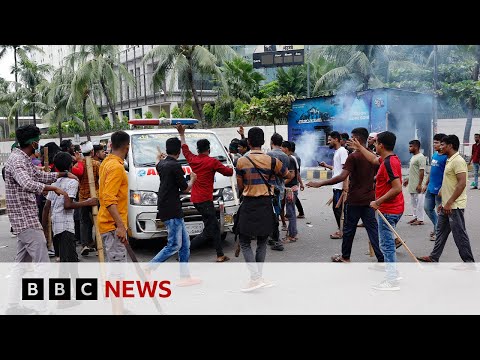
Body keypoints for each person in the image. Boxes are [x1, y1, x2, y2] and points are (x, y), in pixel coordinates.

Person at [4, 125, 76, 315]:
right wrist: (55, 189)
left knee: (21, 265)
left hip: (24, 218)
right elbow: (27, 183)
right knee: (42, 265)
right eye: (38, 140)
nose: (39, 144)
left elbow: (39, 175)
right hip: (25, 219)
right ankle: (41, 308)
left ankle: (12, 305)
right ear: (33, 142)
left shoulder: (23, 158)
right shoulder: (17, 161)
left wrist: (61, 174)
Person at [306, 127, 384, 263]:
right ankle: (381, 258)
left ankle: (345, 257)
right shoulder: (373, 157)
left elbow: (342, 176)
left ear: (357, 140)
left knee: (349, 230)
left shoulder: (353, 156)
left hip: (354, 200)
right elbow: (377, 175)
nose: (348, 140)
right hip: (369, 199)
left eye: (351, 137)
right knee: (372, 230)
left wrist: (321, 183)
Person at [236, 127, 290, 292]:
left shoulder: (241, 161)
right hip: (266, 204)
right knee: (262, 242)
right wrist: (272, 178)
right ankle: (258, 277)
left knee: (245, 242)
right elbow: (287, 175)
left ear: (249, 142)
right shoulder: (272, 161)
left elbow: (240, 185)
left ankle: (255, 278)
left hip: (249, 203)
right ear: (264, 142)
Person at [349, 131, 405, 290]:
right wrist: (360, 147)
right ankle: (393, 271)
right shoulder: (388, 159)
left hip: (388, 209)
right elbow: (373, 159)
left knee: (386, 245)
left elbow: (397, 188)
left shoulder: (389, 163)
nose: (373, 144)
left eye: (375, 142)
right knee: (387, 244)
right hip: (392, 208)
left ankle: (392, 280)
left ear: (381, 145)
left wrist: (377, 202)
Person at [176, 123, 234, 262]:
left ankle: (220, 255)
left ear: (198, 149)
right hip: (205, 200)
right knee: (210, 229)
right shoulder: (212, 162)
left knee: (213, 227)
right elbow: (229, 172)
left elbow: (184, 149)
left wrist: (182, 134)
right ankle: (184, 253)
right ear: (208, 149)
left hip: (195, 199)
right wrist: (233, 162)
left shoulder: (193, 159)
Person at [147, 137, 200, 286]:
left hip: (168, 206)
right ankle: (148, 268)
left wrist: (158, 157)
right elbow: (185, 188)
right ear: (179, 152)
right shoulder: (175, 166)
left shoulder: (162, 164)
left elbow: (157, 163)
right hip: (171, 208)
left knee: (184, 244)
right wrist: (193, 179)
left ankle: (185, 276)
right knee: (174, 245)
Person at [417, 135, 475, 265]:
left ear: (451, 145)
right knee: (440, 232)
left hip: (454, 206)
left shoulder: (458, 161)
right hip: (446, 205)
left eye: (443, 145)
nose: (440, 147)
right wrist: (443, 202)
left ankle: (469, 263)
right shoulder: (449, 160)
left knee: (459, 235)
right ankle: (434, 256)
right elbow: (448, 182)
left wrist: (449, 203)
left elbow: (462, 183)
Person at [42, 152, 98, 264]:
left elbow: (46, 207)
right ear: (71, 166)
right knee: (71, 264)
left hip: (56, 228)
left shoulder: (55, 182)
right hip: (66, 228)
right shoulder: (72, 182)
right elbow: (67, 205)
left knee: (63, 262)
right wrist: (87, 202)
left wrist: (45, 230)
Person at [98, 131, 130, 262]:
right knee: (118, 272)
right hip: (113, 226)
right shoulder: (116, 167)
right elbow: (109, 199)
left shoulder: (106, 162)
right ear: (127, 147)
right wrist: (121, 226)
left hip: (109, 224)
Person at [318, 131, 349, 239]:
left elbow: (346, 169)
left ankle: (341, 231)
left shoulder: (342, 151)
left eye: (330, 139)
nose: (328, 142)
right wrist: (326, 165)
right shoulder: (337, 152)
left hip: (340, 186)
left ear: (336, 139)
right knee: (337, 209)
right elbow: (338, 170)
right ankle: (341, 230)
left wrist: (345, 186)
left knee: (339, 210)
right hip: (337, 185)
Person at [266, 132, 292, 251]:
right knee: (277, 212)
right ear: (281, 143)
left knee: (270, 214)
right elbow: (286, 174)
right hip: (280, 188)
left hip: (270, 189)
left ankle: (273, 237)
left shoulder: (268, 155)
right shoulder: (285, 156)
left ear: (271, 142)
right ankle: (273, 236)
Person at [422, 133, 447, 241]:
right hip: (430, 187)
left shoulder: (447, 158)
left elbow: (447, 175)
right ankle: (438, 228)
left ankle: (438, 231)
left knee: (440, 212)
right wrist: (426, 183)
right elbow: (432, 171)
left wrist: (443, 188)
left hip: (440, 190)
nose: (434, 145)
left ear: (443, 144)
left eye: (436, 143)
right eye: (434, 142)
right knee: (427, 208)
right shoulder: (434, 155)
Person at [78, 141, 101, 256]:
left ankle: (85, 245)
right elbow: (100, 180)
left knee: (84, 222)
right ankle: (98, 245)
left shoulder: (78, 164)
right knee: (97, 220)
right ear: (92, 152)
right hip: (95, 196)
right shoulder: (96, 164)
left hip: (82, 198)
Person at [403, 140, 426, 226]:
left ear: (416, 147)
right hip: (412, 185)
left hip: (418, 185)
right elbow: (413, 171)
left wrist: (420, 184)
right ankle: (416, 217)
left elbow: (422, 171)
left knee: (419, 202)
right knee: (414, 202)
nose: (409, 148)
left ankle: (420, 219)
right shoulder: (413, 157)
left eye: (411, 146)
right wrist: (407, 180)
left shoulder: (421, 157)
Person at [281, 141, 300, 243]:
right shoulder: (292, 158)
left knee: (290, 212)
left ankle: (292, 235)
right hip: (292, 188)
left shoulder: (289, 159)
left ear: (286, 149)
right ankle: (293, 233)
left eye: (282, 148)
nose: (281, 150)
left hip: (290, 189)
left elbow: (292, 175)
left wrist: (281, 184)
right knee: (291, 211)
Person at [291, 141, 305, 218]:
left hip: (294, 179)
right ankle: (301, 212)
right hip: (296, 179)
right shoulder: (296, 156)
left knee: (293, 197)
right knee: (294, 197)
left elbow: (296, 171)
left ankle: (300, 212)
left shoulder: (293, 157)